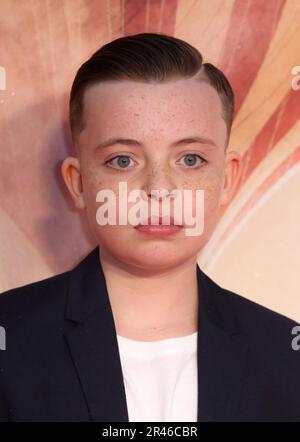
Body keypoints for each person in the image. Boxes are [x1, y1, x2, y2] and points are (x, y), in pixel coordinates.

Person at [0, 33, 299, 422]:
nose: (159, 190)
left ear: (227, 178)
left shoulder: (285, 356)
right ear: (78, 183)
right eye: (123, 161)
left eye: (190, 159)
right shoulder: (11, 340)